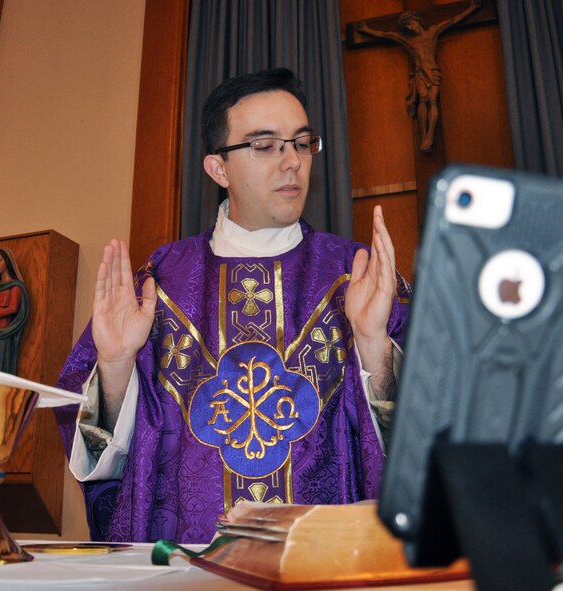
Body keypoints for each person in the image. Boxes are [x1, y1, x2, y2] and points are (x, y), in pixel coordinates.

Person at [55, 68, 411, 544]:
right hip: (187, 565)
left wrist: (373, 348)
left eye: (302, 143)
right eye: (265, 146)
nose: (292, 162)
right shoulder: (158, 283)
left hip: (324, 564)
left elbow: (425, 448)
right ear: (218, 169)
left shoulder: (358, 275)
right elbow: (109, 463)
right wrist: (116, 369)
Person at [356, 0, 480, 151]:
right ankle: (423, 135)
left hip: (433, 71)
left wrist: (472, 8)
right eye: (407, 26)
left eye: (411, 23)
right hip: (420, 72)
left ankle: (430, 135)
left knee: (432, 100)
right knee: (423, 99)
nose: (410, 27)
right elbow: (385, 35)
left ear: (418, 21)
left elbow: (454, 20)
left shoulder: (433, 32)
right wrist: (366, 29)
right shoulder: (407, 40)